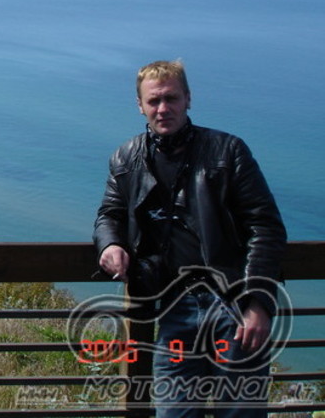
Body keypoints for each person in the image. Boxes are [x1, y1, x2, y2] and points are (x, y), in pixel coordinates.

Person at [93, 60, 287, 417]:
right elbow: (110, 214)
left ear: (188, 99)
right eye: (154, 101)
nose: (163, 108)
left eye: (171, 98)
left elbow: (266, 227)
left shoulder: (228, 152)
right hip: (173, 311)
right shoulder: (125, 158)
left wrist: (258, 304)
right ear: (140, 105)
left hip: (233, 307)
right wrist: (111, 244)